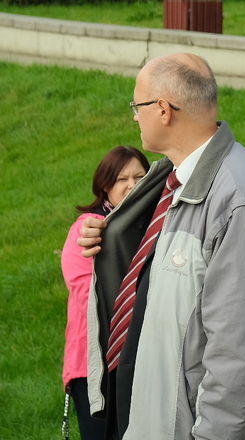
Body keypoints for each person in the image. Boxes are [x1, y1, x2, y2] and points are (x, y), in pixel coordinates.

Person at [80, 53, 245, 439]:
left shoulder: (237, 194)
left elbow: (238, 349)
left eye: (137, 106)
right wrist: (109, 236)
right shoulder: (173, 181)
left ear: (164, 110)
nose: (135, 116)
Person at [62, 146, 148, 440]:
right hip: (92, 364)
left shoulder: (155, 225)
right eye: (122, 178)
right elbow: (90, 291)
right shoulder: (85, 231)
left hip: (143, 359)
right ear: (105, 185)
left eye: (140, 176)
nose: (132, 185)